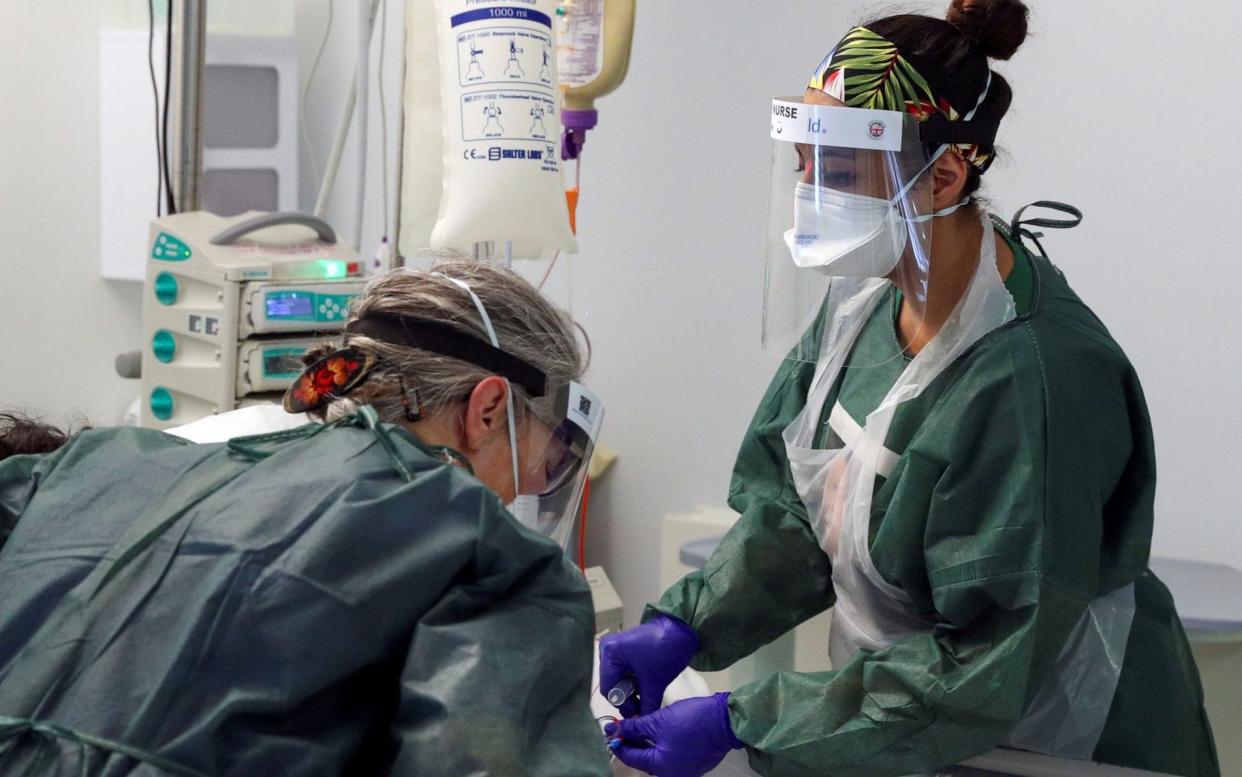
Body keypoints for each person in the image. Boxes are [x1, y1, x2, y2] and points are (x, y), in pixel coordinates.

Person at [599, 2, 1220, 776]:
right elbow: (802, 508)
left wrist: (746, 717)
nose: (808, 190)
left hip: (1058, 735)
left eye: (836, 167)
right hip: (912, 720)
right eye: (803, 162)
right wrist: (688, 624)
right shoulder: (861, 310)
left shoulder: (1038, 376)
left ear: (946, 174)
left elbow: (985, 662)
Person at [0, 258, 611, 776]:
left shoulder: (92, 468)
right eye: (547, 456)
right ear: (488, 409)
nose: (534, 486)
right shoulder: (481, 554)